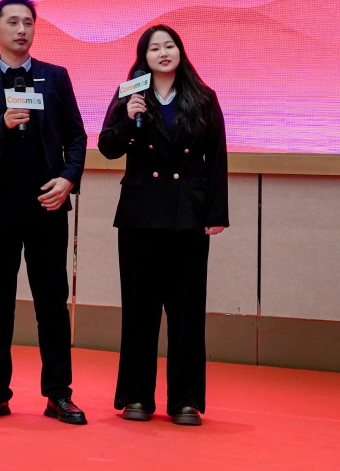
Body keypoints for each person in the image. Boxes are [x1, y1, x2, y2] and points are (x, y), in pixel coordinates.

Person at [0, 0, 89, 425]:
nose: (21, 29)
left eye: (28, 22)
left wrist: (68, 179)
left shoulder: (55, 76)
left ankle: (58, 395)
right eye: (12, 22)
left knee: (52, 301)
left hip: (47, 203)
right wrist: (3, 122)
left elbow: (77, 136)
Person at [97, 24, 228, 426]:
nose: (163, 53)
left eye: (169, 45)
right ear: (144, 57)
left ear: (180, 52)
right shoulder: (129, 94)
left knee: (187, 311)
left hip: (188, 215)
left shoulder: (203, 97)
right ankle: (136, 396)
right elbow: (107, 147)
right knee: (140, 308)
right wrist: (127, 120)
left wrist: (216, 214)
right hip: (140, 214)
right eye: (154, 48)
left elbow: (216, 159)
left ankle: (186, 401)